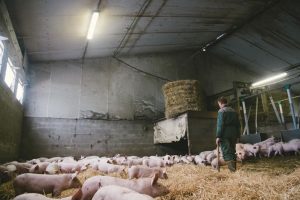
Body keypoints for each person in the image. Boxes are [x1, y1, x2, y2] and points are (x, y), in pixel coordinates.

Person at [216, 96, 241, 172]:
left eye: (219, 104)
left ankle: (232, 170)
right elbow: (238, 124)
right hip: (233, 133)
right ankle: (234, 169)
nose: (219, 105)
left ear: (220, 103)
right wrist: (238, 135)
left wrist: (218, 136)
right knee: (233, 151)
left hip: (225, 134)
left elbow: (220, 125)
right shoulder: (234, 111)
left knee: (227, 151)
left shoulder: (221, 111)